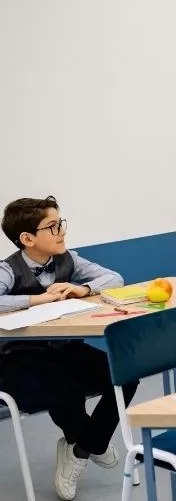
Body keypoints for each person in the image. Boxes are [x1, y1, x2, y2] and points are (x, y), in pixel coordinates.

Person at [0, 196, 132, 501]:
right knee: (65, 389)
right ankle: (85, 440)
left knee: (125, 374)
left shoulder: (68, 259)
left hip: (63, 347)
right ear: (27, 238)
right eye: (52, 226)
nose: (61, 231)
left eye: (61, 223)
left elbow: (115, 278)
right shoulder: (8, 270)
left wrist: (82, 289)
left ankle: (82, 447)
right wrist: (36, 300)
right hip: (19, 358)